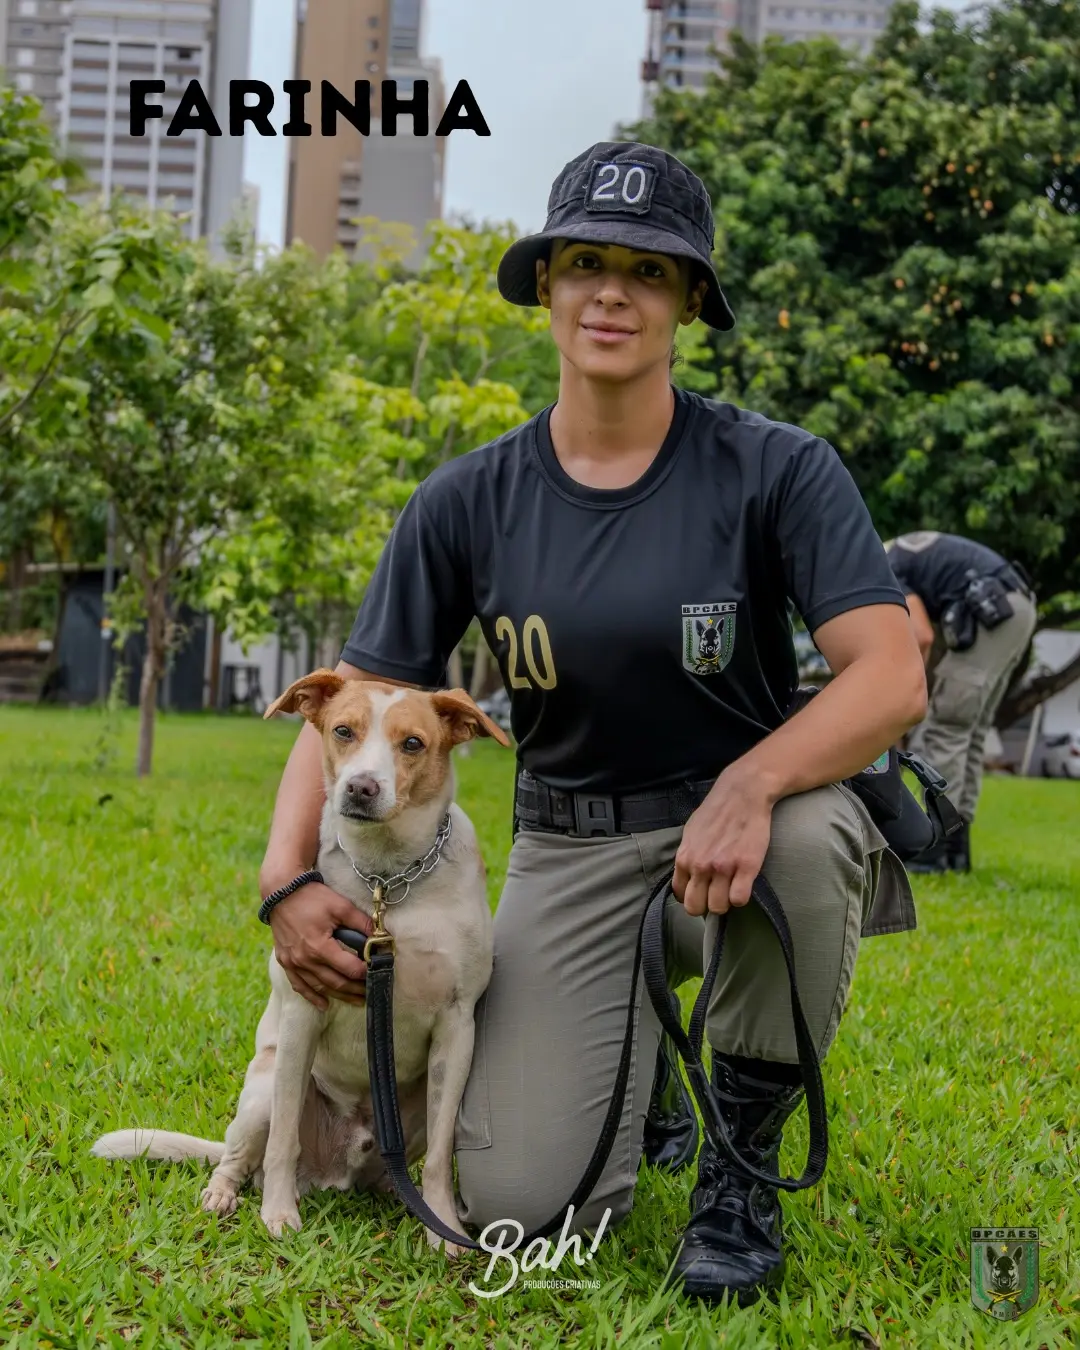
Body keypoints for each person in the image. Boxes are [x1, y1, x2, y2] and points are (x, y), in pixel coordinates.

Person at [258, 141, 928, 1308]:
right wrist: (285, 882)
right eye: (585, 264)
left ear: (689, 300)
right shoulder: (466, 500)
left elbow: (891, 675)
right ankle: (637, 1066)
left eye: (649, 271)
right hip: (571, 851)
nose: (612, 293)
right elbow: (352, 697)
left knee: (817, 833)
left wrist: (753, 782)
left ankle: (739, 1173)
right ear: (546, 285)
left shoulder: (777, 468)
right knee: (519, 1202)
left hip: (734, 847)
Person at [884, 531, 1037, 873]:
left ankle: (934, 851)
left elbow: (921, 635)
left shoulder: (883, 564)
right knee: (971, 731)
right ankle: (956, 849)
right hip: (1016, 607)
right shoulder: (903, 553)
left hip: (994, 607)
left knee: (946, 725)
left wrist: (905, 689)